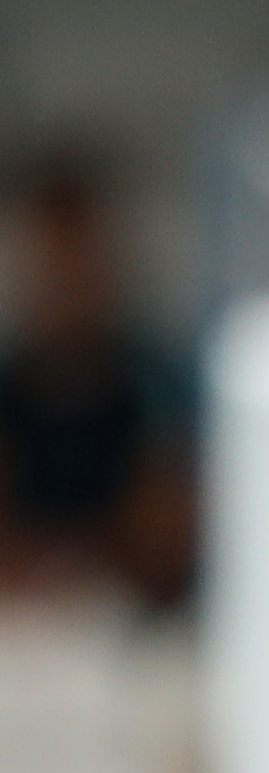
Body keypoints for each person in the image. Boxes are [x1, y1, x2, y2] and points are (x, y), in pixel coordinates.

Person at [0, 144, 198, 609]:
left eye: (79, 257)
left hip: (135, 631)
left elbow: (163, 540)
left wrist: (82, 565)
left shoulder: (158, 385)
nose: (67, 279)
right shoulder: (10, 387)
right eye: (53, 259)